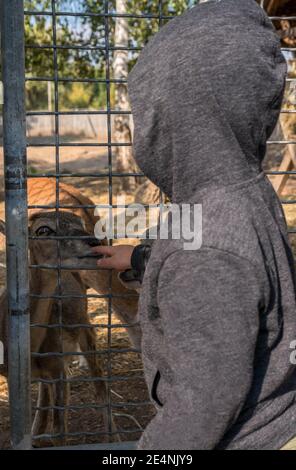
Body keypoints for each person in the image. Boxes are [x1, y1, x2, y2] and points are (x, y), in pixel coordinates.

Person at [92, 0, 296, 450]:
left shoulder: (205, 251)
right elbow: (240, 270)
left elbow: (203, 402)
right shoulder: (240, 189)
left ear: (171, 118)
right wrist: (145, 257)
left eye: (142, 109)